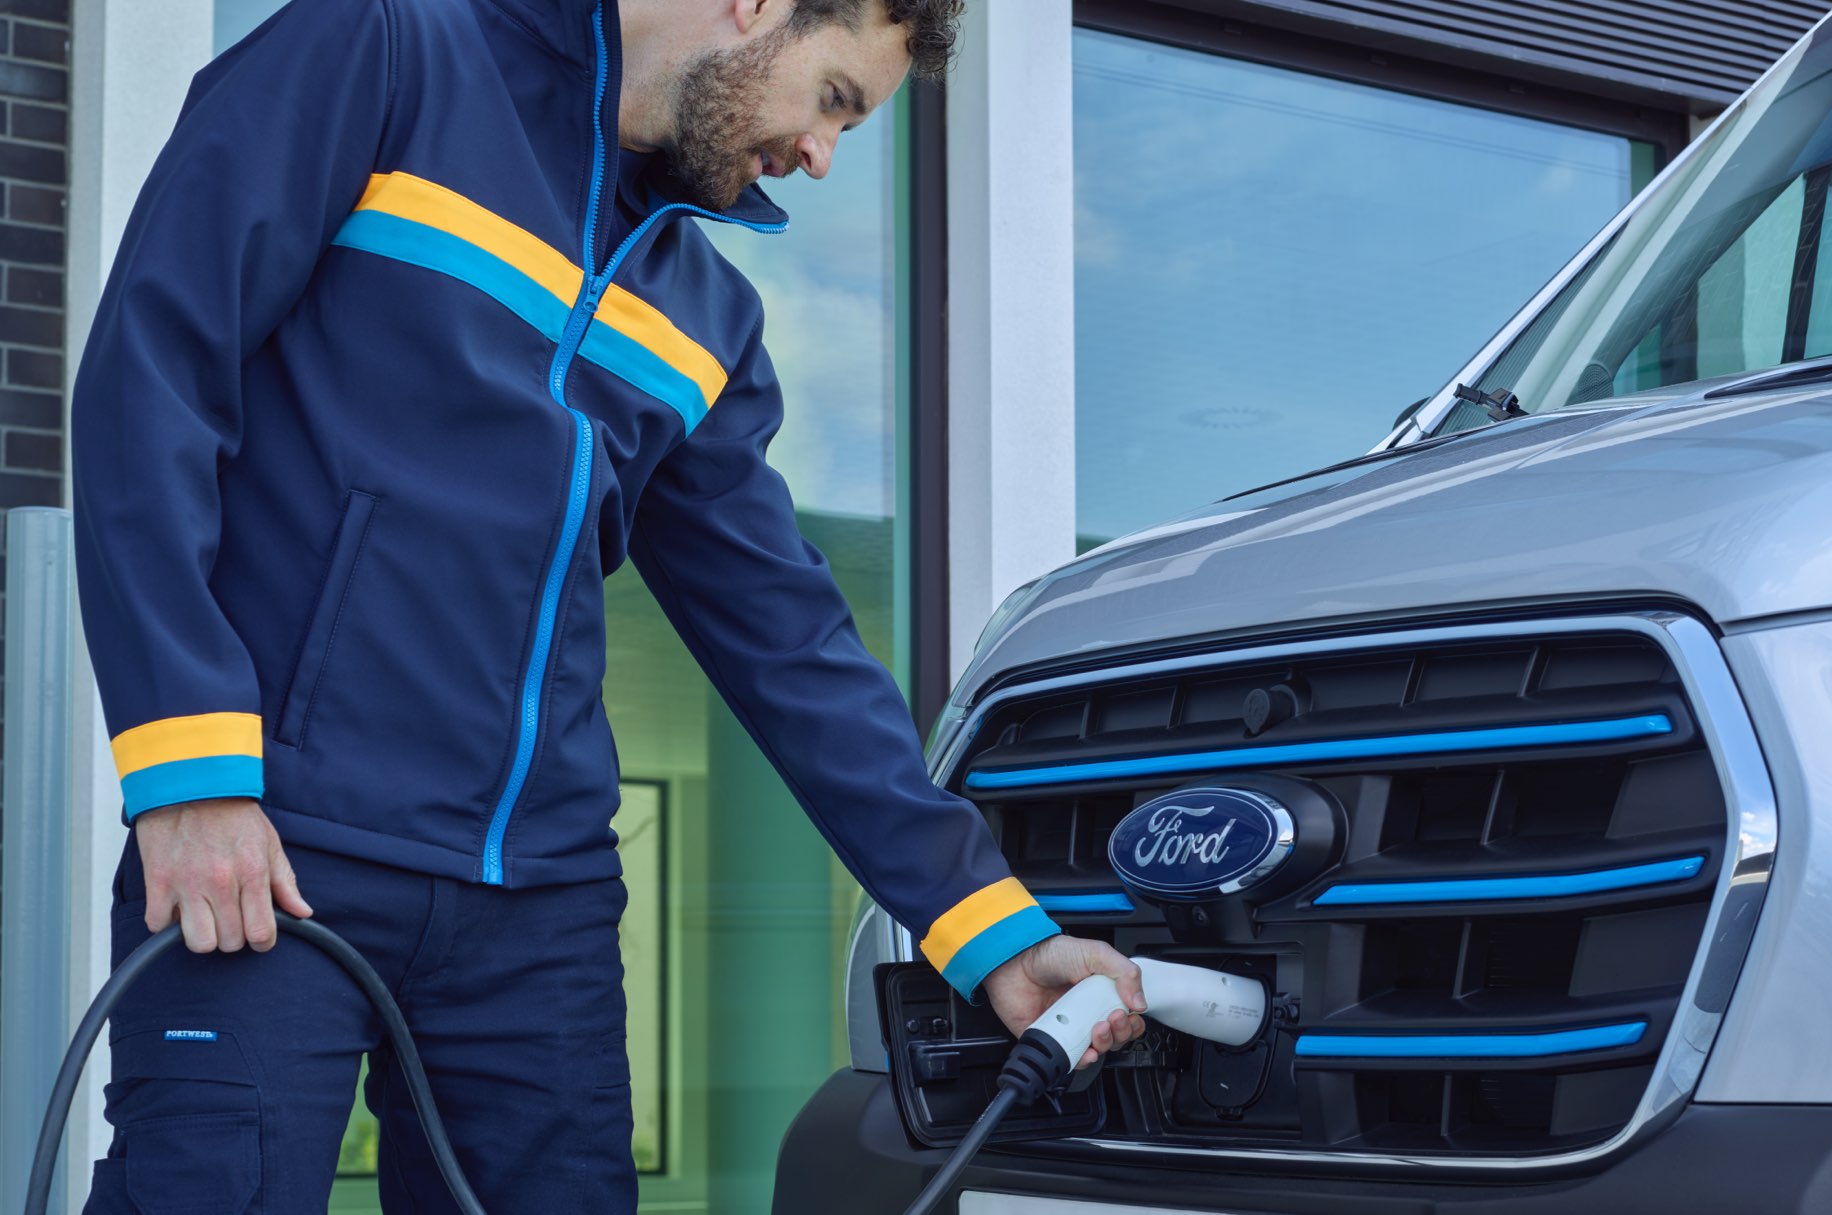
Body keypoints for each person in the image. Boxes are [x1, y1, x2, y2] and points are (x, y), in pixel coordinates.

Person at [69, 0, 1145, 1207]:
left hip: (542, 913)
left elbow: (791, 643)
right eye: (836, 100)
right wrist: (192, 772)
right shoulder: (381, 52)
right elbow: (151, 381)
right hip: (276, 852)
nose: (822, 157)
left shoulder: (706, 322)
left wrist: (992, 929)